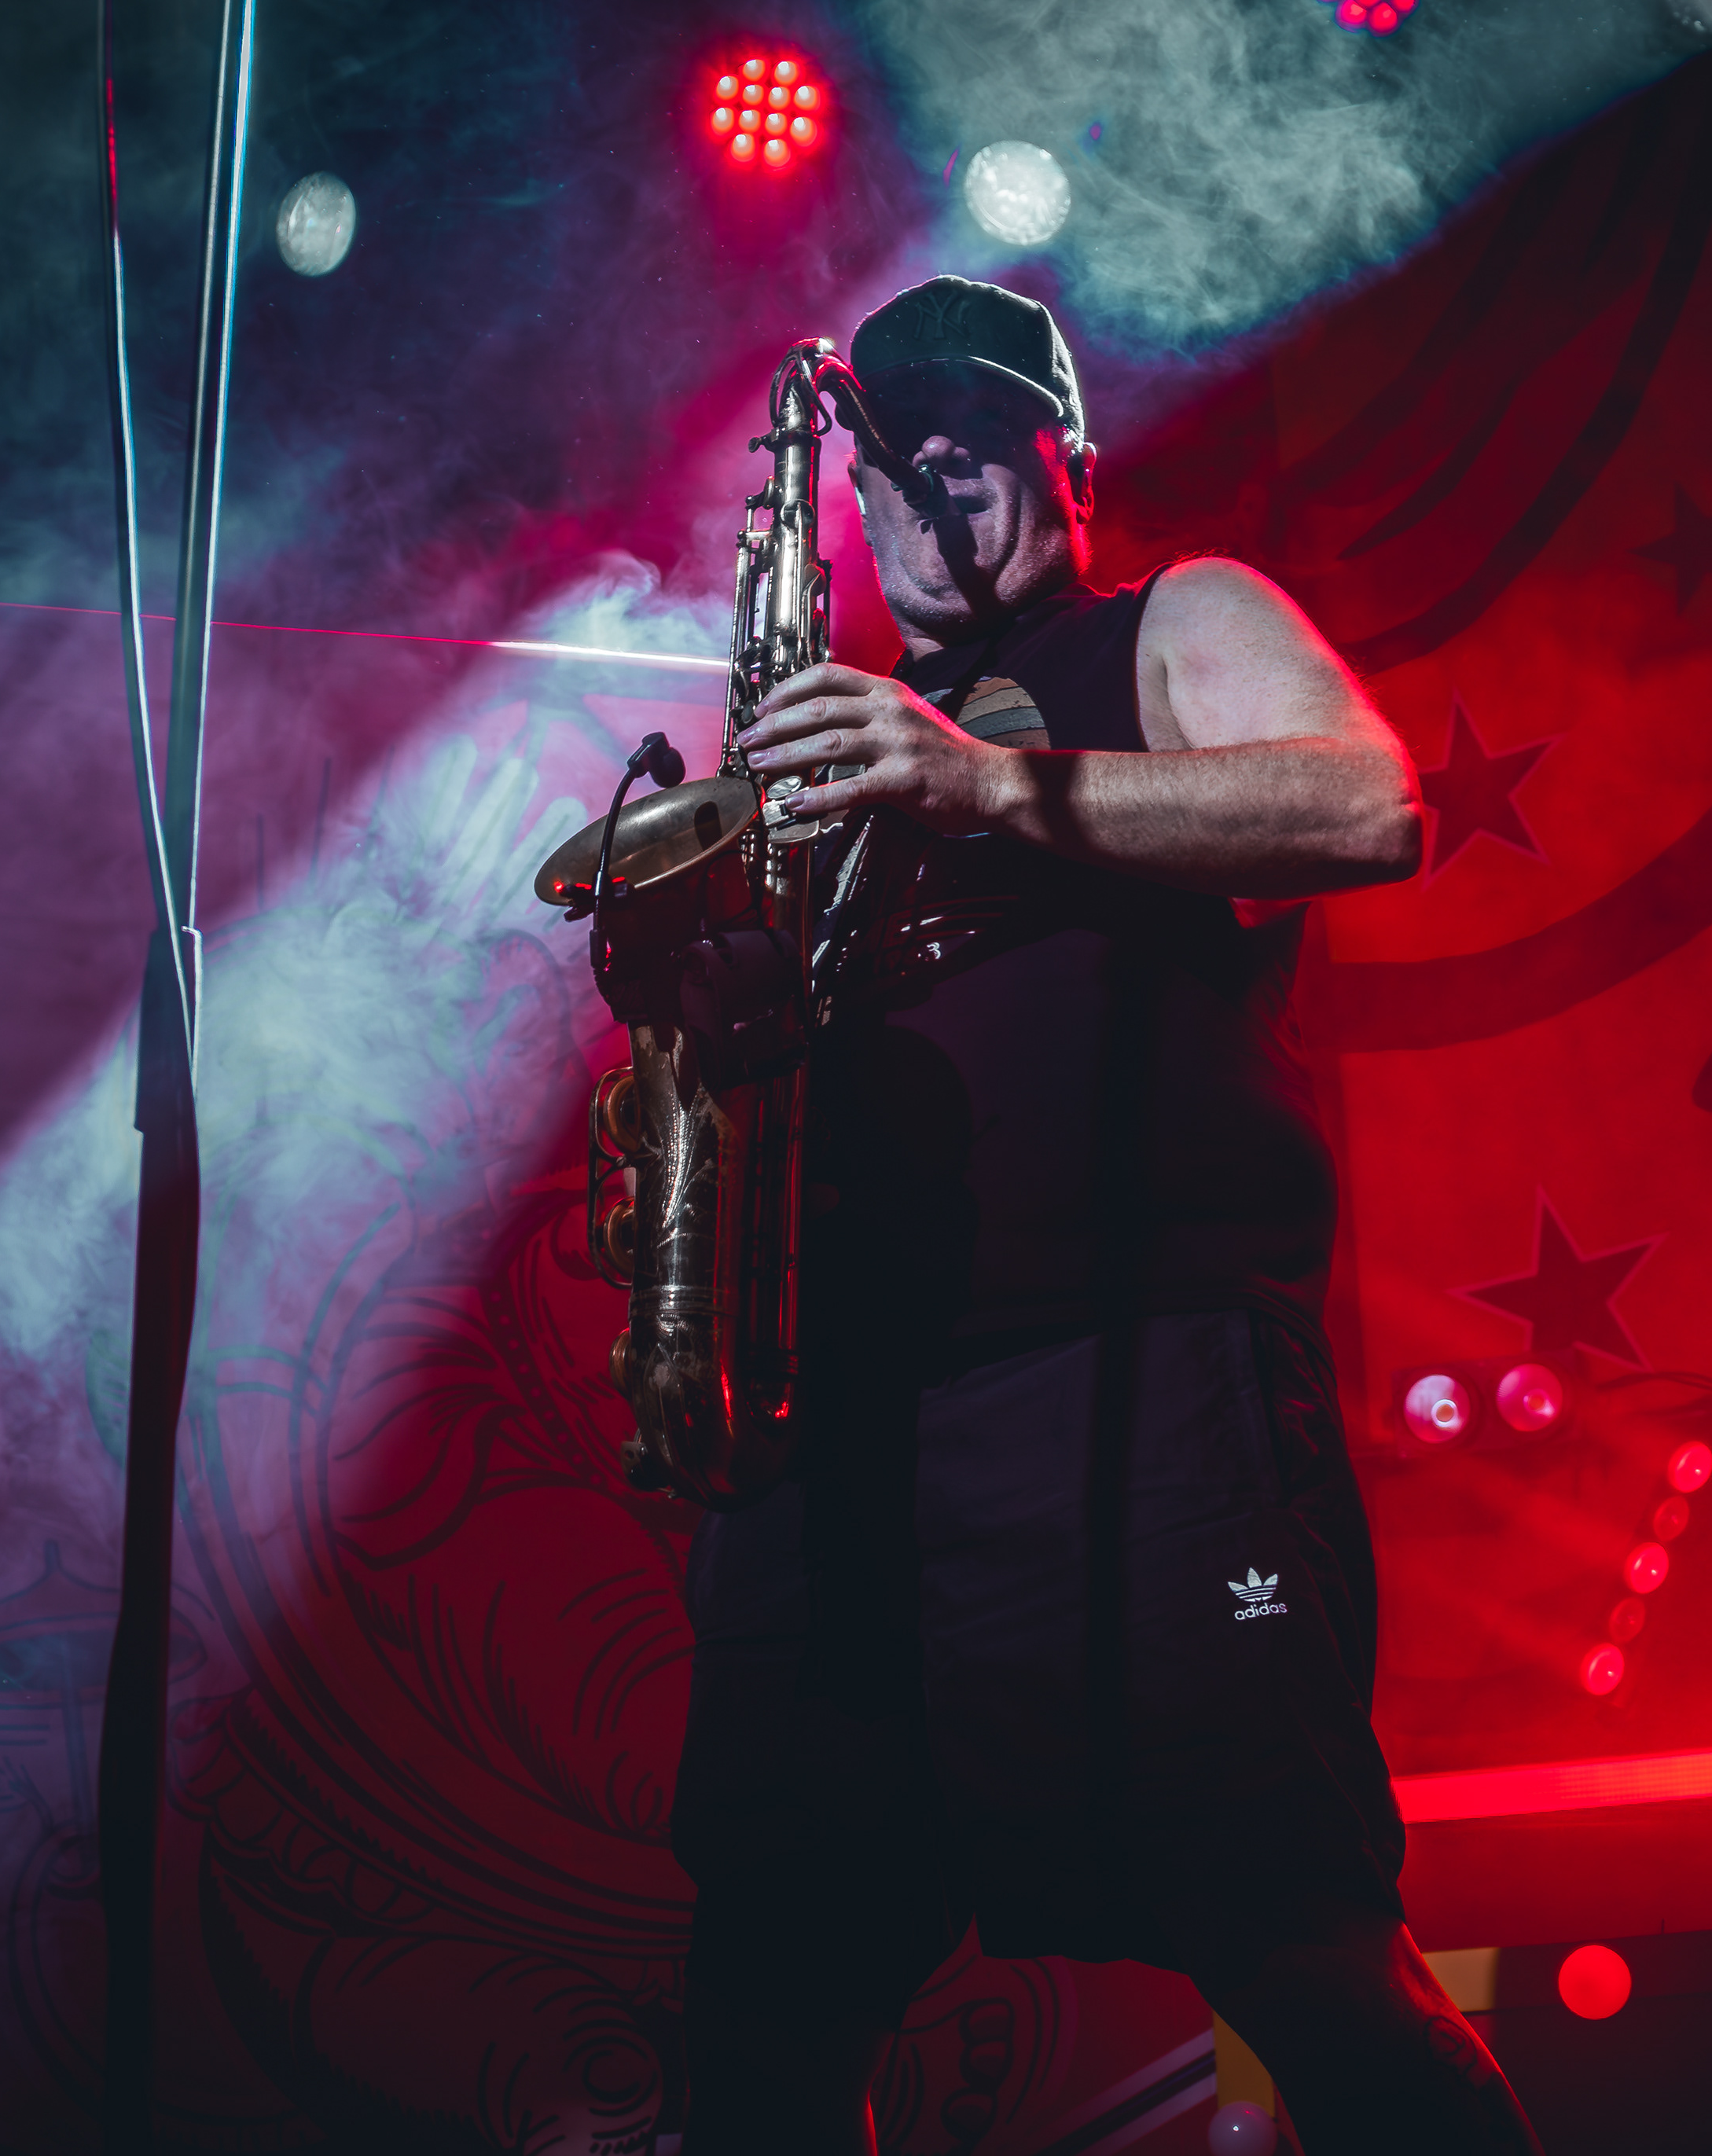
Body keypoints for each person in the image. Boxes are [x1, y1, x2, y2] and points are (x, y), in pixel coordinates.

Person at [668, 274, 1544, 2155]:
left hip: (1134, 1394)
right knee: (764, 2007)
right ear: (853, 509)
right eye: (900, 462)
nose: (940, 487)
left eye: (980, 444)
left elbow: (1368, 805)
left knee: (1303, 1947)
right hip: (842, 1434)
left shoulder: (1170, 620)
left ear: (1069, 466)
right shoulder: (827, 739)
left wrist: (988, 781)